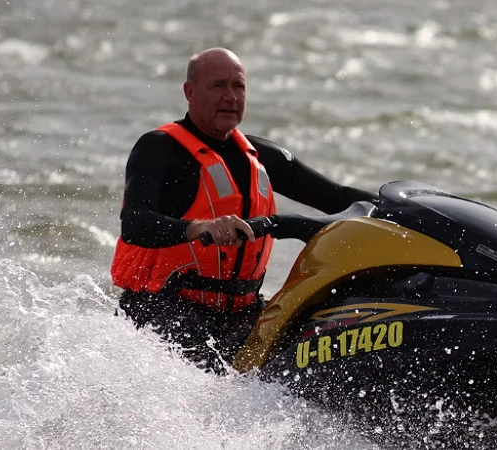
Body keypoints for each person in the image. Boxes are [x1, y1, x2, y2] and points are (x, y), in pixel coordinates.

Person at [111, 48, 377, 375]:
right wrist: (198, 228)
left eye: (239, 87)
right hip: (164, 310)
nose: (230, 96)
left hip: (242, 315)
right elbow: (135, 224)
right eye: (218, 86)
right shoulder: (158, 149)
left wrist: (409, 204)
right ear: (189, 92)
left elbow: (338, 196)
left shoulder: (262, 156)